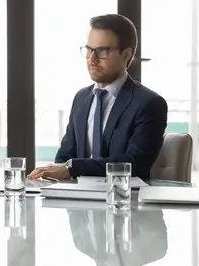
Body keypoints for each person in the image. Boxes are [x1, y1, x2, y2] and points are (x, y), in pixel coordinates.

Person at [28, 14, 167, 182]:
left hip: (124, 200)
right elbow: (64, 156)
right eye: (89, 50)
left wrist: (73, 168)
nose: (92, 59)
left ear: (126, 54)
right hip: (78, 199)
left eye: (102, 51)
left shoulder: (149, 104)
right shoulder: (81, 98)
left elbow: (134, 164)